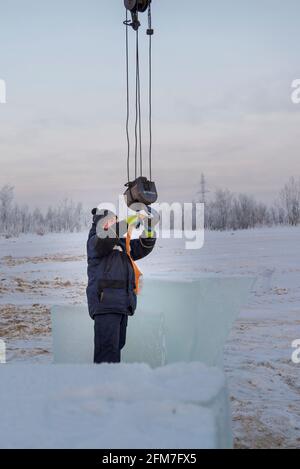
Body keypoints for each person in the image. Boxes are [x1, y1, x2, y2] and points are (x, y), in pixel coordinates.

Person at [86, 207, 157, 364]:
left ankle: (113, 385)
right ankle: (104, 386)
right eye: (110, 221)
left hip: (122, 305)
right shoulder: (95, 242)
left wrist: (150, 228)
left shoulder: (122, 245)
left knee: (115, 350)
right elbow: (109, 236)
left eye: (115, 221)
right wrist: (132, 220)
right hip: (105, 305)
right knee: (106, 356)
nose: (114, 224)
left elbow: (144, 246)